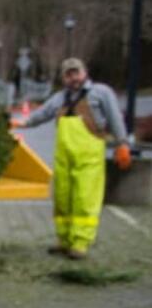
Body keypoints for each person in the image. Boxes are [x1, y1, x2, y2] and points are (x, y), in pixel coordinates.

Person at [19, 57, 131, 259]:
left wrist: (122, 143)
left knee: (84, 198)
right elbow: (41, 115)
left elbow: (115, 117)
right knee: (62, 197)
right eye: (68, 74)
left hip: (89, 157)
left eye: (76, 73)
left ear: (84, 72)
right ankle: (64, 240)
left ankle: (80, 243)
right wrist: (21, 124)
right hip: (64, 157)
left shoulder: (100, 93)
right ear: (63, 78)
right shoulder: (59, 98)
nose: (73, 78)